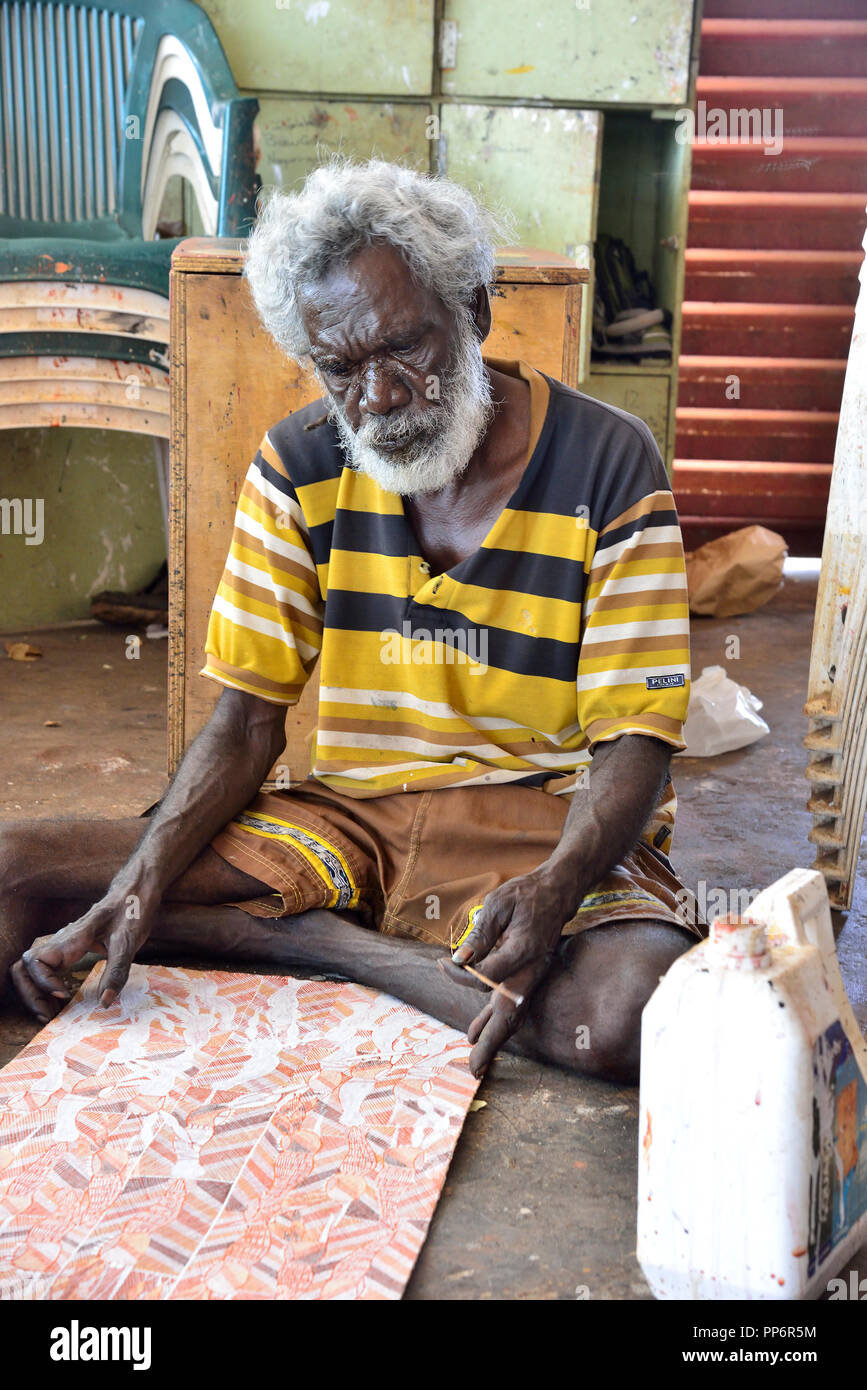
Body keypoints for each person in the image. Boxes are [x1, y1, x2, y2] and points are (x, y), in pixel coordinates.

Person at [4, 159, 702, 1081]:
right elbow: (247, 718)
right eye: (340, 369)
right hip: (349, 823)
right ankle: (353, 951)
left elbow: (634, 741)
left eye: (404, 349)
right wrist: (141, 880)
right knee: (12, 875)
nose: (375, 399)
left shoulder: (608, 459)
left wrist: (559, 886)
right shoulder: (300, 463)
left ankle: (305, 941)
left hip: (538, 824)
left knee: (622, 1018)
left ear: (475, 313)